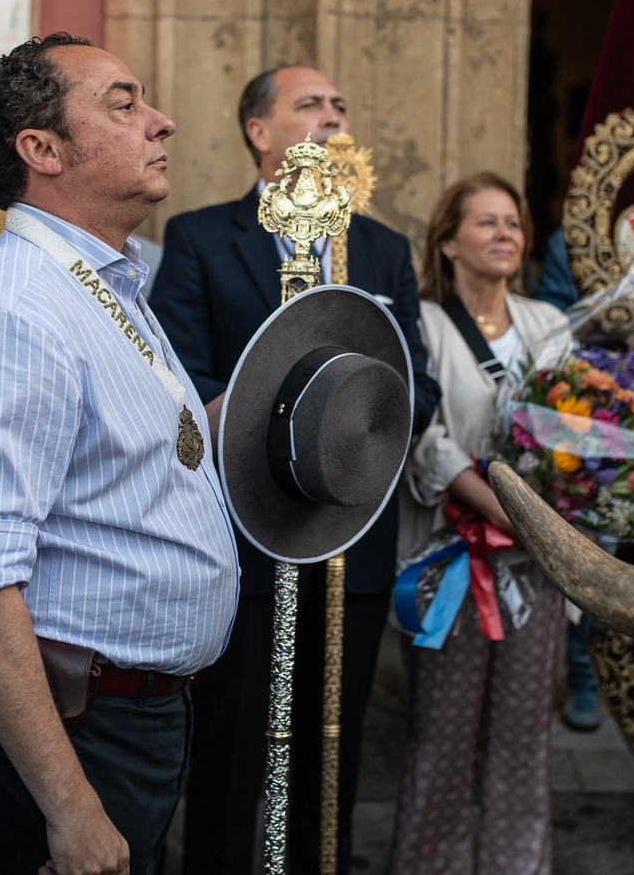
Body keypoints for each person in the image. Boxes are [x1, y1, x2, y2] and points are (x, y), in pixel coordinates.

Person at [0, 33, 238, 875]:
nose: (161, 122)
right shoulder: (16, 311)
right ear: (42, 149)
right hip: (65, 735)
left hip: (130, 719)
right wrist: (71, 805)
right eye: (124, 104)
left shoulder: (100, 281)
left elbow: (150, 450)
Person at [152, 65, 441, 875]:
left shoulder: (381, 248)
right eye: (310, 104)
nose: (331, 118)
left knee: (333, 751)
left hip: (353, 533)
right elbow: (182, 382)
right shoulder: (204, 239)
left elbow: (419, 381)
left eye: (342, 107)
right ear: (259, 130)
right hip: (243, 541)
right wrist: (288, 428)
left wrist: (356, 423)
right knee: (231, 748)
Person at [388, 174, 569, 875]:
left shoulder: (551, 323)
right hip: (449, 561)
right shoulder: (424, 325)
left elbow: (581, 430)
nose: (504, 234)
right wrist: (505, 509)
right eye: (486, 222)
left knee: (525, 738)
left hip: (534, 565)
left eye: (513, 223)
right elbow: (424, 435)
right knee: (442, 737)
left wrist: (547, 518)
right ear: (448, 241)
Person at [532, 226, 604, 733]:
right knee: (589, 550)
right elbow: (556, 325)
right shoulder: (574, 238)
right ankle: (583, 673)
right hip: (587, 411)